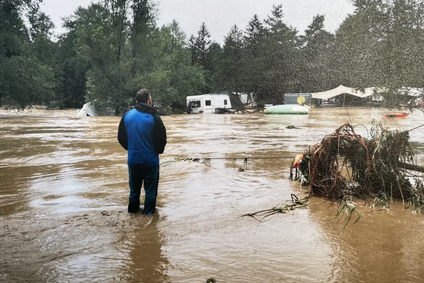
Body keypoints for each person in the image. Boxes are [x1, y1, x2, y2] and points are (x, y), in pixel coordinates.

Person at [118, 89, 167, 214]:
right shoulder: (154, 117)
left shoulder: (127, 116)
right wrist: (157, 152)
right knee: (150, 191)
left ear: (137, 101)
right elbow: (162, 140)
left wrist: (132, 149)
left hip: (133, 160)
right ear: (149, 101)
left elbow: (121, 138)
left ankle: (133, 215)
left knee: (134, 191)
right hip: (150, 161)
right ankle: (148, 218)